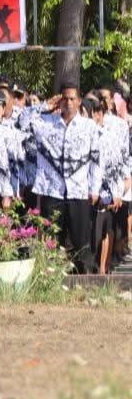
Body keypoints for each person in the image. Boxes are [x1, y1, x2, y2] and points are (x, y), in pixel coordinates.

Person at [17, 85, 101, 273]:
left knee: (81, 243)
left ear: (79, 101)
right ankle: (51, 281)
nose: (68, 103)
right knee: (51, 241)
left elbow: (96, 160)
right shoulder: (46, 123)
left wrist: (94, 188)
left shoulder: (89, 127)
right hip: (51, 191)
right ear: (59, 101)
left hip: (78, 192)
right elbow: (21, 121)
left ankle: (86, 281)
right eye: (65, 98)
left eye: (72, 99)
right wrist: (44, 105)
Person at [85, 96, 127, 275]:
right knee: (89, 236)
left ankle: (102, 271)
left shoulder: (109, 137)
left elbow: (116, 166)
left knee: (103, 231)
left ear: (99, 114)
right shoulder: (80, 133)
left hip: (104, 193)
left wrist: (116, 192)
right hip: (81, 192)